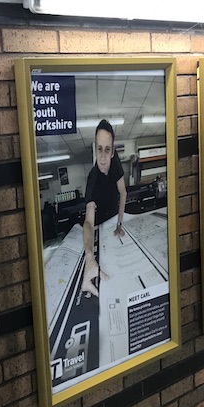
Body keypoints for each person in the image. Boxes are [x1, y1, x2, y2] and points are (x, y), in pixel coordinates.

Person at [81, 119, 127, 297]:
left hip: (114, 220)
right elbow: (88, 222)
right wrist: (89, 257)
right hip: (99, 228)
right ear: (95, 149)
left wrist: (120, 223)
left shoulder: (115, 164)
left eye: (107, 150)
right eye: (99, 149)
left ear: (113, 151)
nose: (102, 156)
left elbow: (123, 193)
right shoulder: (92, 179)